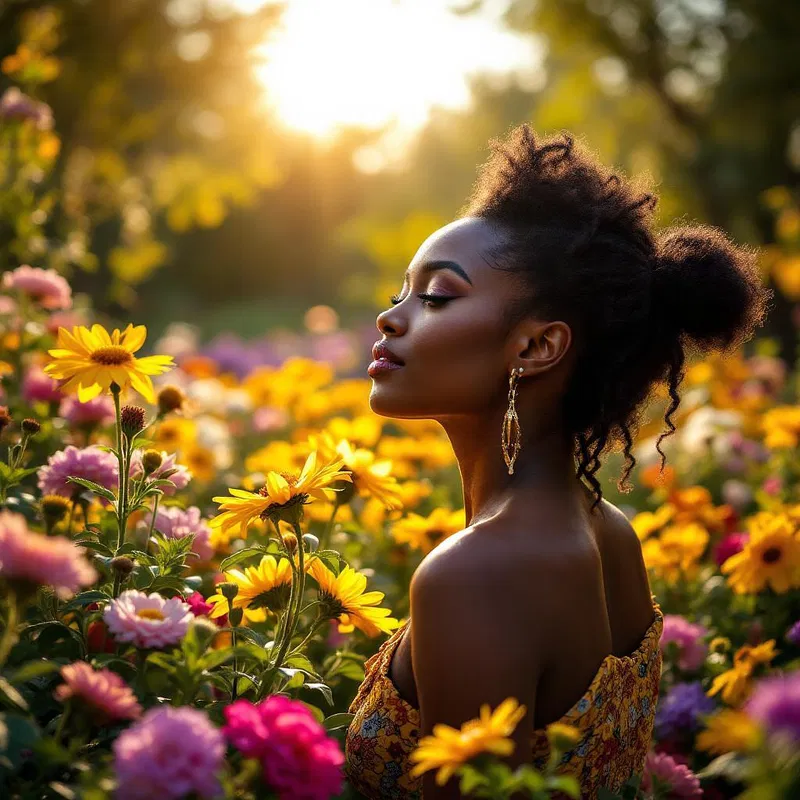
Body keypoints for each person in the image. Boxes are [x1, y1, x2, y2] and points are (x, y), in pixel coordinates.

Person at [345, 124, 769, 799]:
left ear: (537, 347)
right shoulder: (609, 533)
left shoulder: (477, 573)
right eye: (402, 291)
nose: (391, 318)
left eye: (436, 296)